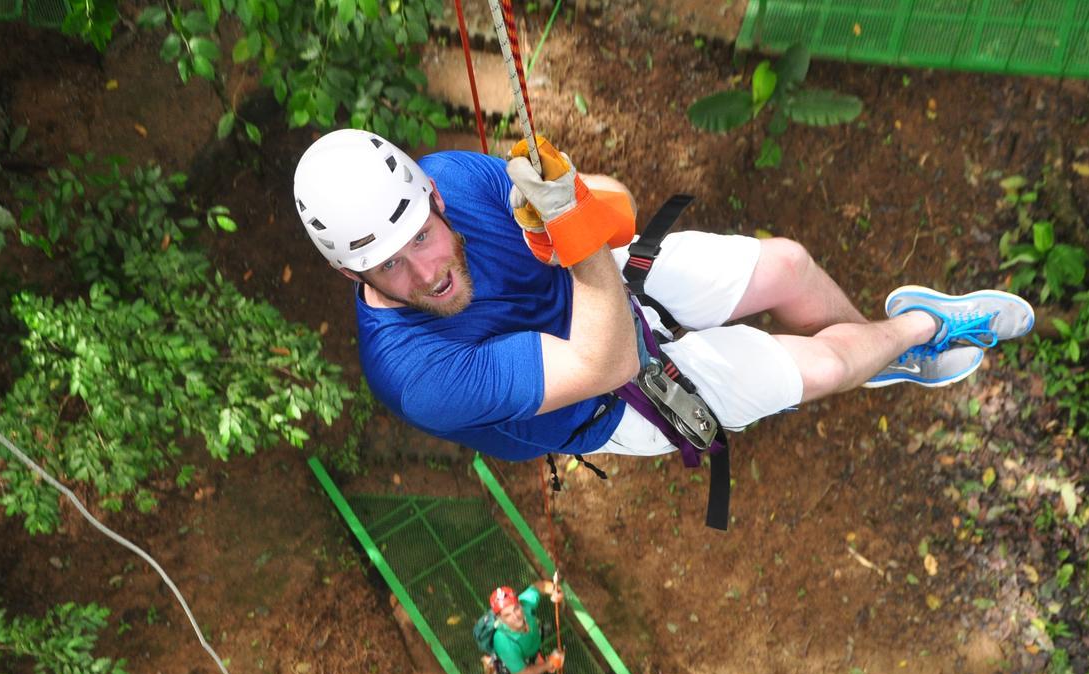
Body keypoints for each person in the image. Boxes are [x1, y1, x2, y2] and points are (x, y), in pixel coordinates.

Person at [292, 129, 1033, 476]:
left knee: (787, 264)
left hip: (601, 276)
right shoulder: (413, 374)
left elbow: (619, 213)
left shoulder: (456, 173)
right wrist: (576, 237)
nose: (424, 272)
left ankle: (877, 353)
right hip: (607, 401)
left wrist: (572, 195)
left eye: (423, 236)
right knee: (814, 367)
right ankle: (924, 326)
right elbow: (608, 361)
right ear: (350, 275)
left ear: (435, 197)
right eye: (389, 266)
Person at [486, 581, 565, 674]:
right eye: (507, 615)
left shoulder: (525, 604)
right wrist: (548, 664)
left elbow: (538, 587)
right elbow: (521, 672)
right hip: (516, 660)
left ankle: (537, 657)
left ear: (519, 603)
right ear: (500, 618)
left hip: (531, 645)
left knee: (534, 652)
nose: (516, 617)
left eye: (516, 608)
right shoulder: (504, 642)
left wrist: (555, 590)